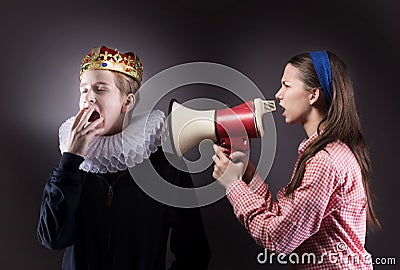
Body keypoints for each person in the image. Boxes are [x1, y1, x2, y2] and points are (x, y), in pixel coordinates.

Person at [37, 45, 210, 270]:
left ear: (127, 102)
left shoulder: (166, 164)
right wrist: (70, 159)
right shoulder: (72, 165)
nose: (88, 99)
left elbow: (195, 252)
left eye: (100, 89)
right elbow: (52, 238)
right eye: (84, 90)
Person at [212, 50, 379, 269]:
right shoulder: (328, 152)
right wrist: (246, 172)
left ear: (313, 95)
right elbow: (285, 217)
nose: (279, 95)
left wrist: (233, 185)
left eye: (287, 86)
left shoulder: (325, 161)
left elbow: (279, 238)